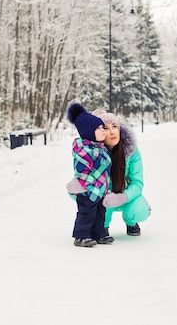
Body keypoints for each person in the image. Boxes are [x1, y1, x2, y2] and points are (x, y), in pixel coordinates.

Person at [67, 109, 150, 236]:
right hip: (102, 197)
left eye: (115, 126)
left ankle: (130, 221)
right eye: (105, 128)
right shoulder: (90, 152)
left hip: (125, 194)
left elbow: (137, 182)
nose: (112, 132)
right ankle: (102, 226)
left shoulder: (132, 151)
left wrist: (122, 197)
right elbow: (83, 175)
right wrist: (77, 186)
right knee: (95, 209)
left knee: (139, 210)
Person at [66, 102, 114, 248]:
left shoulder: (100, 148)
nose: (103, 131)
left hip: (101, 189)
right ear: (88, 131)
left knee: (100, 213)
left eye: (102, 127)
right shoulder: (84, 149)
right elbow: (82, 170)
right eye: (99, 128)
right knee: (86, 213)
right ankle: (81, 236)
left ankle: (98, 233)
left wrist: (104, 188)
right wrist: (90, 187)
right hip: (88, 189)